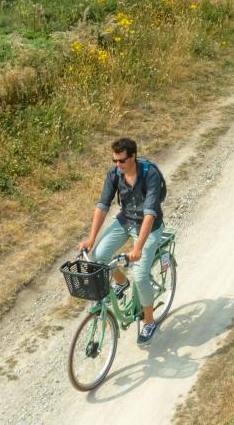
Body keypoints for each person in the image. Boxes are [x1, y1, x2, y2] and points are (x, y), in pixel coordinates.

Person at [79, 136, 164, 346]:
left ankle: (149, 321)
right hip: (126, 220)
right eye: (115, 161)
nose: (118, 165)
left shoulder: (150, 174)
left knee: (140, 275)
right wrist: (91, 238)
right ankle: (121, 281)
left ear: (133, 156)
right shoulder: (115, 174)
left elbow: (150, 214)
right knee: (98, 256)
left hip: (149, 227)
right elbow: (103, 205)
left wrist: (137, 248)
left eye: (122, 161)